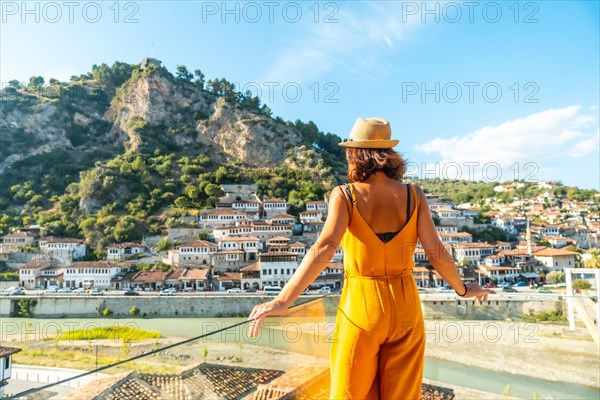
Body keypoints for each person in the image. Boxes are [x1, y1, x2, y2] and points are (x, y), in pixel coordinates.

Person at [247, 117, 496, 399]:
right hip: (406, 307)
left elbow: (326, 247)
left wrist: (282, 301)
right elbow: (436, 252)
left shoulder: (345, 195)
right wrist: (463, 289)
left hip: (361, 307)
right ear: (388, 154)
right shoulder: (414, 195)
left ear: (355, 153)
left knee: (349, 394)